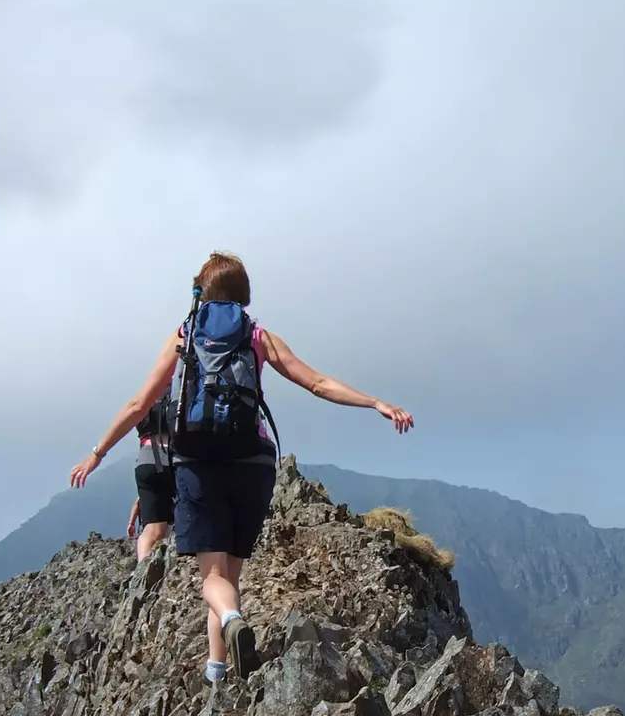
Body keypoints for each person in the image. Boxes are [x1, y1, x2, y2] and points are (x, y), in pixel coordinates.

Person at [71, 252, 413, 683]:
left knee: (212, 578)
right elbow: (317, 383)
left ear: (202, 291)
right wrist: (376, 402)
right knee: (231, 570)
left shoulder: (184, 335)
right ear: (243, 294)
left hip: (200, 464)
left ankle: (232, 620)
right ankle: (219, 671)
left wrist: (98, 453)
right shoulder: (258, 337)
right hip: (254, 465)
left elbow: (140, 404)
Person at [127, 401, 175, 563]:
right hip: (175, 457)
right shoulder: (180, 395)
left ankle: (143, 568)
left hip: (146, 459)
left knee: (152, 529)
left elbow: (142, 498)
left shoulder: (146, 400)